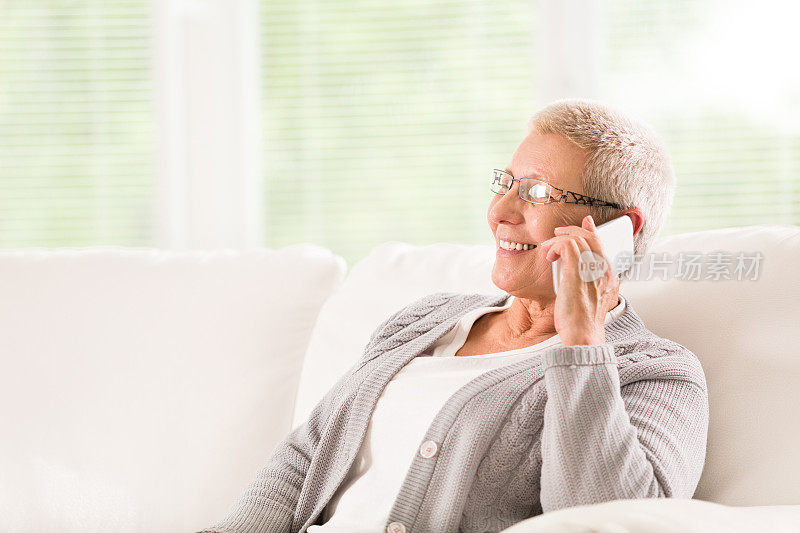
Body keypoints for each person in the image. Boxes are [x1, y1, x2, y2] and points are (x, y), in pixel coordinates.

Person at [199, 98, 709, 533]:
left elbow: (605, 520)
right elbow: (306, 457)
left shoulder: (657, 372)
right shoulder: (426, 321)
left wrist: (582, 342)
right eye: (505, 183)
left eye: (534, 192)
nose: (500, 211)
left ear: (618, 226)